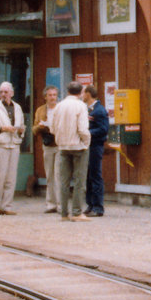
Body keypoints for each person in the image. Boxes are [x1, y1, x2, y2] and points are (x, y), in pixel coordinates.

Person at [50, 81, 90, 221]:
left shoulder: (59, 106)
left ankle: (64, 213)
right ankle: (77, 212)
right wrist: (86, 142)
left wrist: (60, 139)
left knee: (63, 181)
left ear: (67, 91)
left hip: (63, 146)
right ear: (81, 92)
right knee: (79, 181)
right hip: (78, 146)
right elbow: (83, 129)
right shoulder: (81, 106)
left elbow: (52, 128)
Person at [0, 81, 25, 215]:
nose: (3, 94)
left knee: (11, 177)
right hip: (1, 144)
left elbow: (22, 124)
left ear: (12, 93)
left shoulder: (17, 107)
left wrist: (20, 131)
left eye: (6, 92)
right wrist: (2, 128)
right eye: (1, 92)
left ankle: (7, 206)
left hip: (14, 144)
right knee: (0, 176)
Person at [32, 85, 61, 212]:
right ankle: (51, 203)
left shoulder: (61, 109)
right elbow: (33, 129)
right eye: (50, 95)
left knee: (59, 174)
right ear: (45, 97)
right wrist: (40, 126)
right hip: (47, 144)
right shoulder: (40, 110)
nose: (52, 98)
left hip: (60, 144)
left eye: (54, 95)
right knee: (49, 175)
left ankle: (61, 204)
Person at [82, 84, 109, 217]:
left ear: (88, 94)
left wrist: (87, 132)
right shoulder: (88, 110)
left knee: (95, 175)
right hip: (88, 146)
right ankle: (90, 204)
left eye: (83, 93)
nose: (82, 96)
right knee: (88, 176)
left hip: (95, 146)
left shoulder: (99, 111)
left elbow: (104, 129)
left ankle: (98, 207)